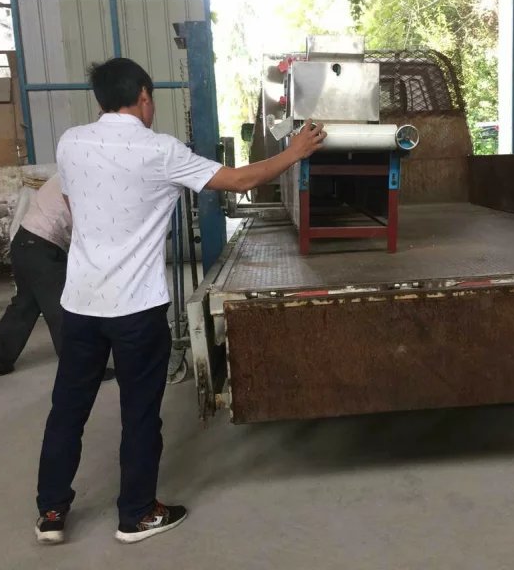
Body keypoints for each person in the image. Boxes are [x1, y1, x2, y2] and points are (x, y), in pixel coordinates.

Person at [35, 57, 326, 545]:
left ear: (101, 99)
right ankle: (136, 514)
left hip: (80, 305)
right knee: (139, 412)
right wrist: (295, 151)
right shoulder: (159, 151)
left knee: (67, 408)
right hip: (135, 309)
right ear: (143, 97)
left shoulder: (71, 143)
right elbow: (240, 181)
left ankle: (51, 511)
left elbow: (72, 205)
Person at [0, 175, 115, 380]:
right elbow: (87, 227)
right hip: (42, 247)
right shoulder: (83, 178)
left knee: (23, 307)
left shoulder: (70, 172)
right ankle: (82, 369)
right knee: (64, 309)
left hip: (24, 243)